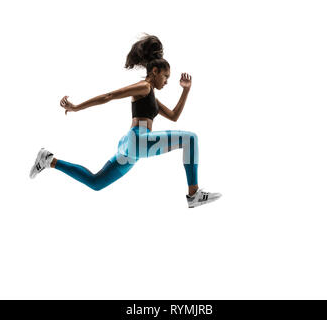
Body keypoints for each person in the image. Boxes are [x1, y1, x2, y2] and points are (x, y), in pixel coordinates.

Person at [29, 34, 221, 208]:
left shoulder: (151, 94)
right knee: (191, 138)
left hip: (132, 146)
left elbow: (173, 116)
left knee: (96, 183)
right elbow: (110, 96)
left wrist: (186, 90)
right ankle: (193, 193)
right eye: (165, 76)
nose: (167, 81)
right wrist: (76, 107)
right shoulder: (144, 87)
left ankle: (48, 160)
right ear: (155, 71)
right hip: (139, 139)